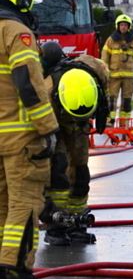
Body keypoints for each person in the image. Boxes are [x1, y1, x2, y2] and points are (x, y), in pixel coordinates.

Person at [0, 0, 59, 279]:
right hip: (21, 137)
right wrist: (48, 128)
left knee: (1, 205)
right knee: (25, 203)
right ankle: (18, 270)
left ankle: (1, 269)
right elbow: (29, 83)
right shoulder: (16, 31)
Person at [39, 41, 110, 246]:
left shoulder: (94, 70)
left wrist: (103, 111)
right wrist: (48, 139)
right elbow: (39, 122)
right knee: (58, 170)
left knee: (80, 171)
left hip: (79, 125)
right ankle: (56, 226)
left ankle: (77, 222)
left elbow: (106, 81)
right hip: (55, 125)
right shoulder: (47, 91)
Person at [101, 14, 133, 121]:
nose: (123, 27)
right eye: (122, 25)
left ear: (129, 26)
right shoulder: (111, 40)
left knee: (127, 101)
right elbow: (105, 58)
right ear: (118, 26)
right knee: (111, 100)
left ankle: (125, 123)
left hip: (128, 77)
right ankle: (110, 122)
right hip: (113, 76)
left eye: (125, 25)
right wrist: (104, 74)